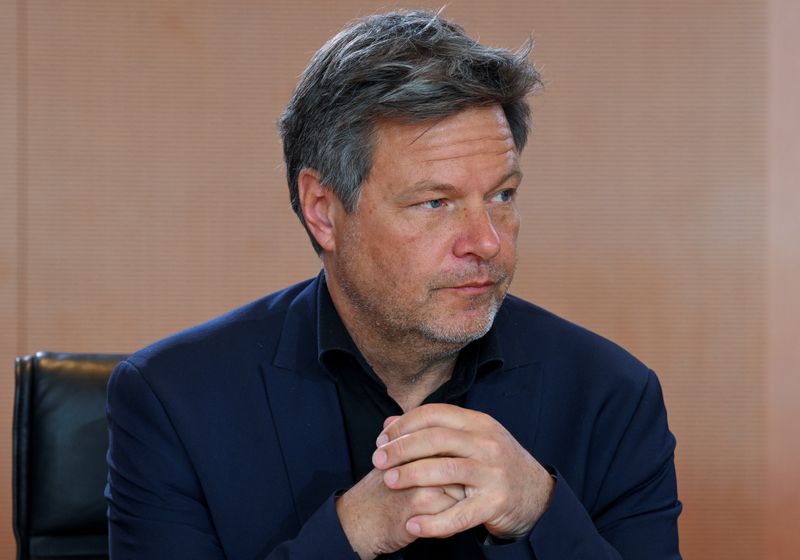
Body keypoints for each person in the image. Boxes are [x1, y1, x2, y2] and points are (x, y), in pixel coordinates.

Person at [105, 10, 681, 559]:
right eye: (435, 202)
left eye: (502, 196)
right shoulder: (172, 401)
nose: (485, 241)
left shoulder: (613, 397)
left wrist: (539, 509)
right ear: (323, 212)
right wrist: (352, 529)